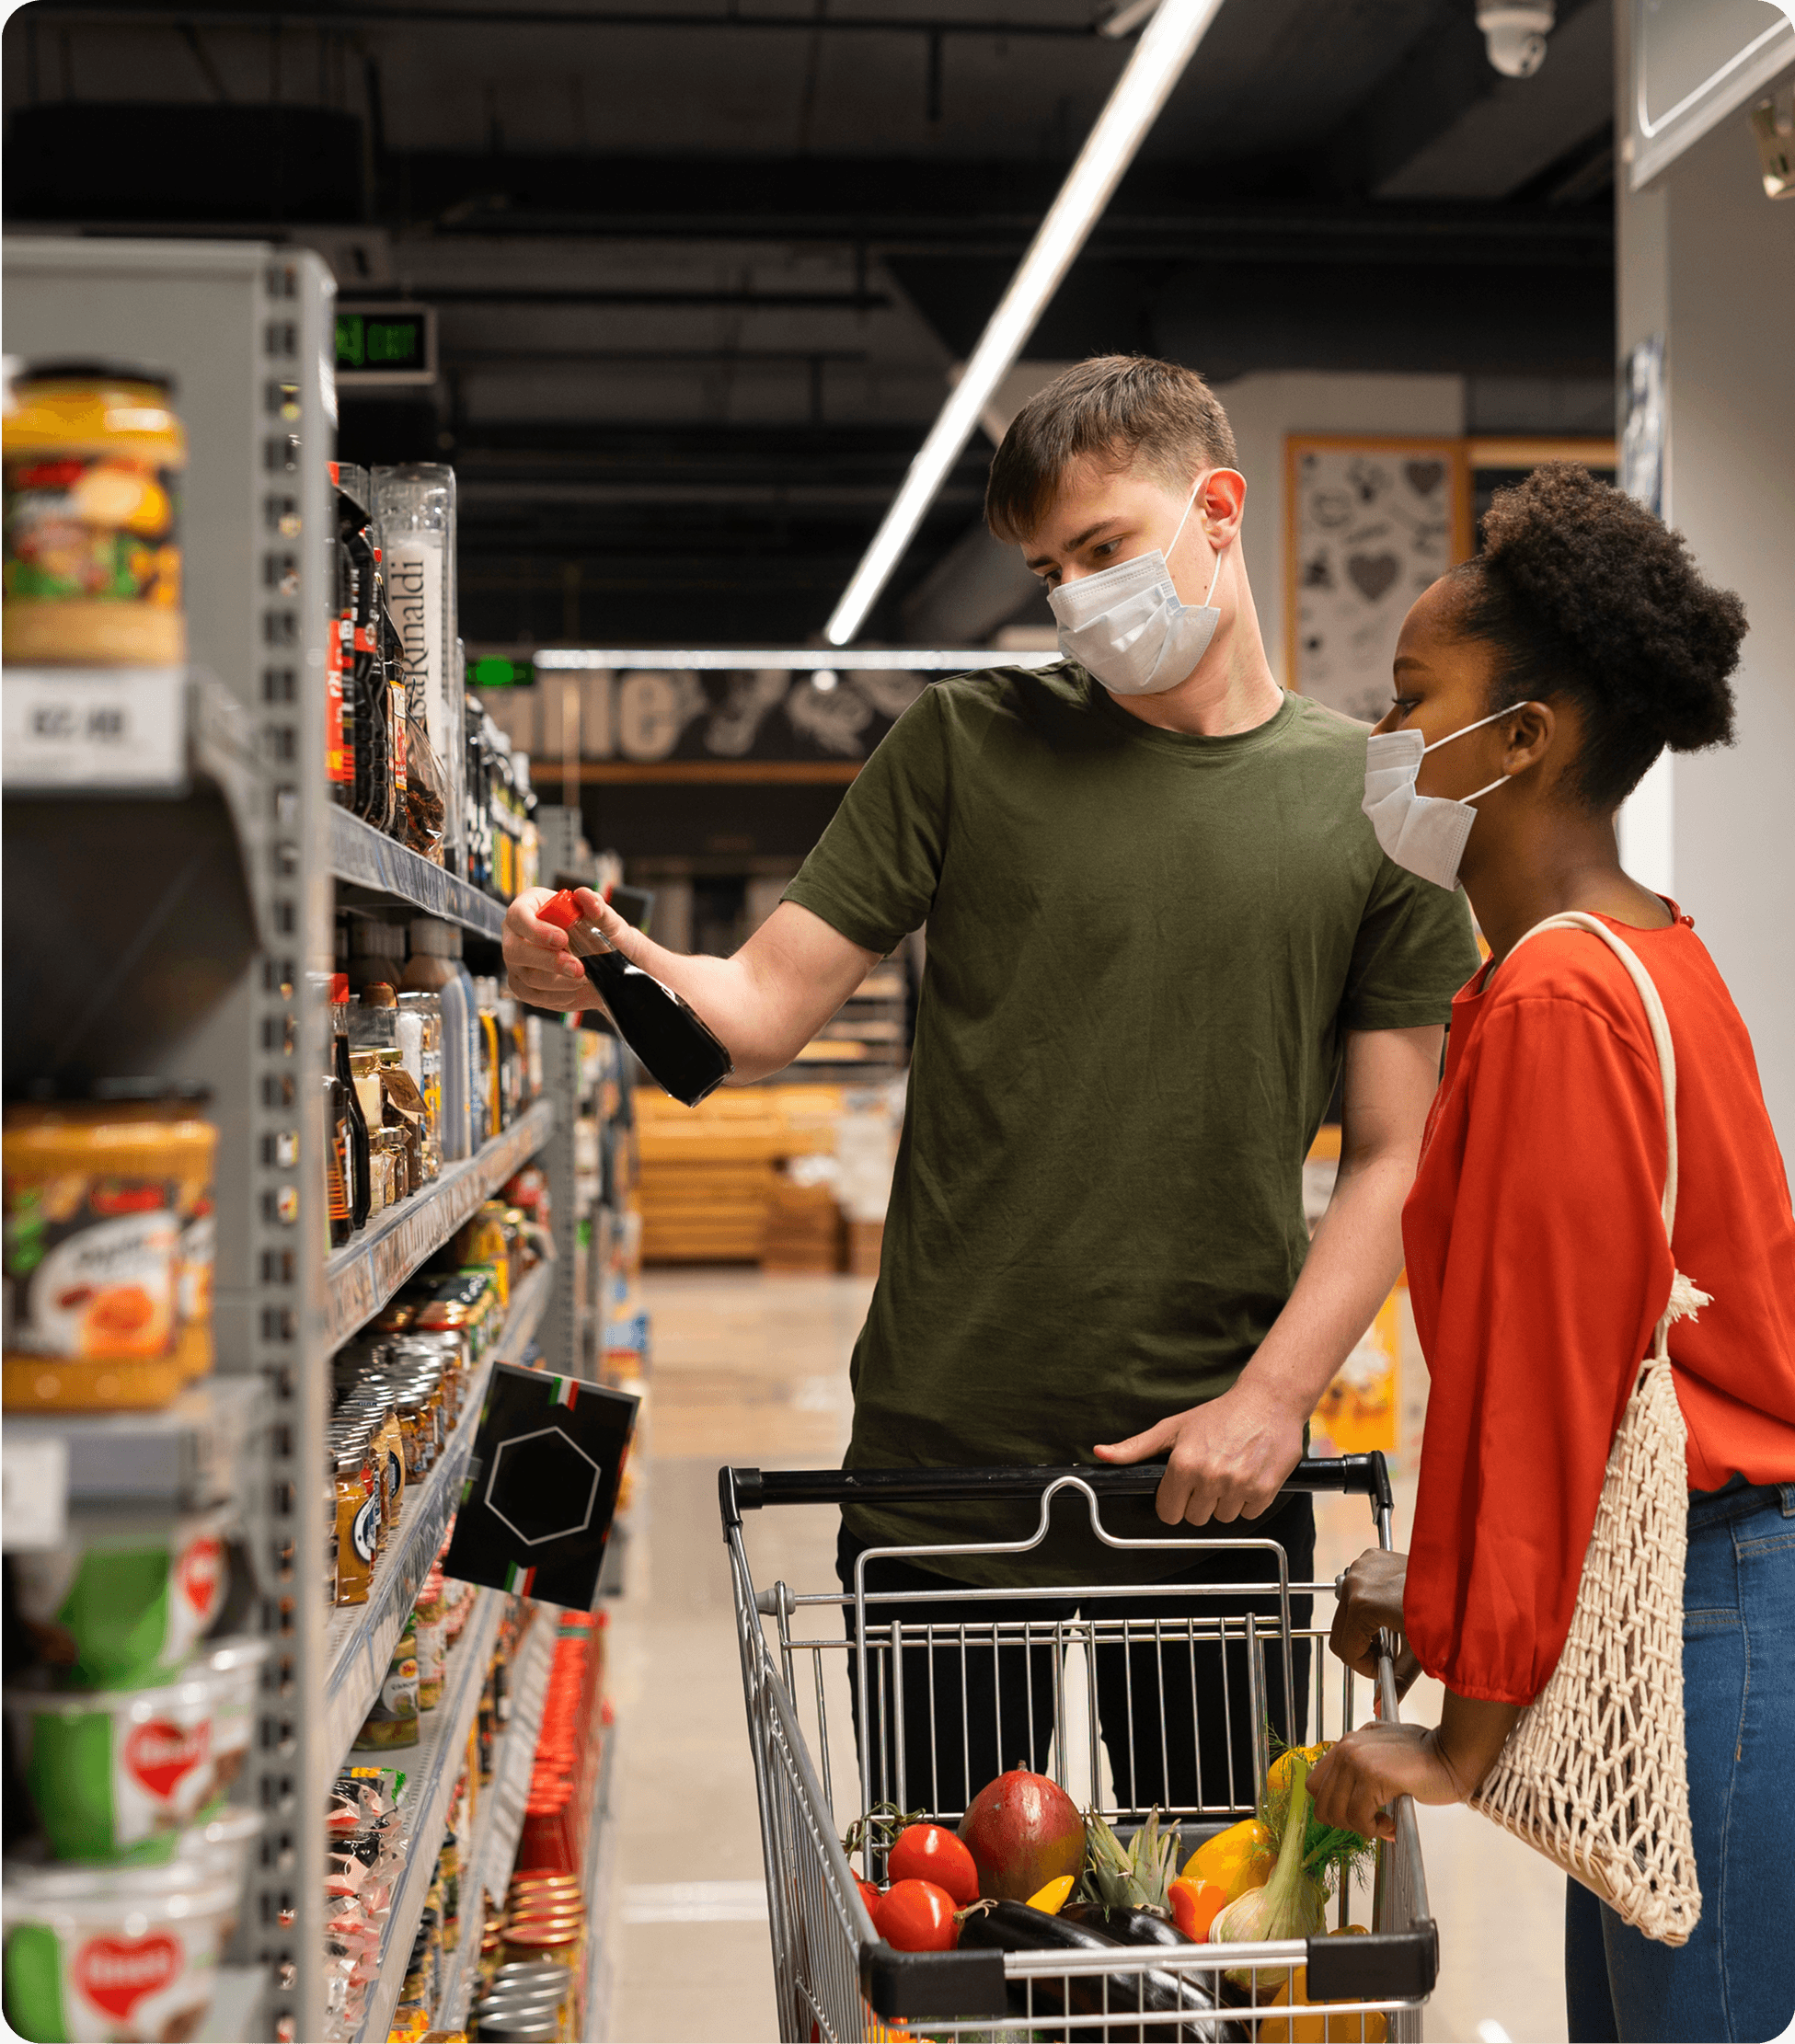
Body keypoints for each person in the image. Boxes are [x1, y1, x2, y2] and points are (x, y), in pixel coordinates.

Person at [503, 354, 1479, 1819]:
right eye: (1047, 571)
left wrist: (1273, 1399)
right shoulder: (963, 748)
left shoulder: (1372, 803)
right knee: (951, 1949)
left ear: (1218, 510)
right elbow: (758, 1010)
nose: (1078, 597)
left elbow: (1399, 1151)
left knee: (1198, 1952)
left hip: (1205, 1477)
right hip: (938, 1470)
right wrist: (613, 966)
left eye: (1104, 549)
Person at [1310, 465, 1795, 2044]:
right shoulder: (1644, 946)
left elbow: (1541, 1390)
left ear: (1525, 738)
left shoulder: (1553, 1001)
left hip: (1699, 1622)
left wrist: (1455, 1735)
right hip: (1692, 1596)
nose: (1382, 739)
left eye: (1410, 701)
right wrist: (1440, 1578)